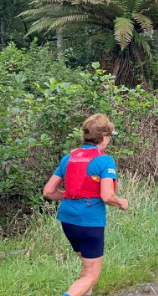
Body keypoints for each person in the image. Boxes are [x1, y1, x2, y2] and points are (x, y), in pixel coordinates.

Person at [43, 114, 129, 296]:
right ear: (104, 137)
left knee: (86, 268)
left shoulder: (69, 158)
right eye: (109, 136)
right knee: (91, 275)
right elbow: (107, 196)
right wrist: (121, 202)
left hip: (67, 220)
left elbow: (48, 192)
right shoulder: (105, 160)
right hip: (89, 222)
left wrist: (68, 196)